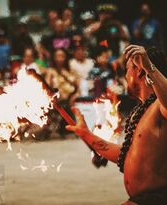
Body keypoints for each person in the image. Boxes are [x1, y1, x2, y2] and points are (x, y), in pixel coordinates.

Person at [66, 44, 167, 205]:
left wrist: (149, 66)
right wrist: (86, 134)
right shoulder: (143, 109)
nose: (126, 75)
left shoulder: (159, 106)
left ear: (139, 70)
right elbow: (127, 155)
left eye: (128, 69)